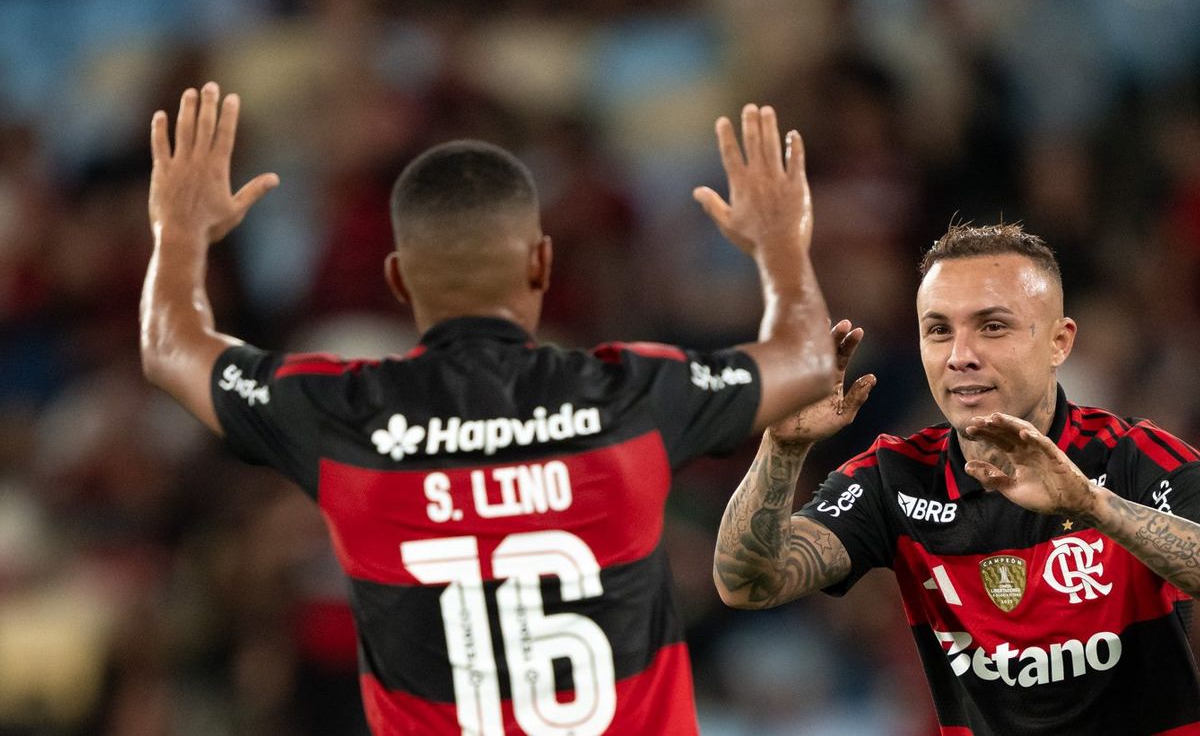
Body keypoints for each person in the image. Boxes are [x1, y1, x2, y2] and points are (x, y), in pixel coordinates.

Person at [139, 82, 837, 735]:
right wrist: (778, 242)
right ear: (541, 264)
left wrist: (180, 233)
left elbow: (171, 349)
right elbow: (807, 360)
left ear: (398, 279)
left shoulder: (343, 412)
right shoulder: (630, 394)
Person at [713, 223, 1200, 734]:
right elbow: (747, 583)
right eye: (939, 330)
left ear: (1059, 342)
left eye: (992, 327)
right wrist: (782, 447)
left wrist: (1094, 506)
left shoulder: (1133, 458)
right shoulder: (896, 477)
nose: (959, 355)